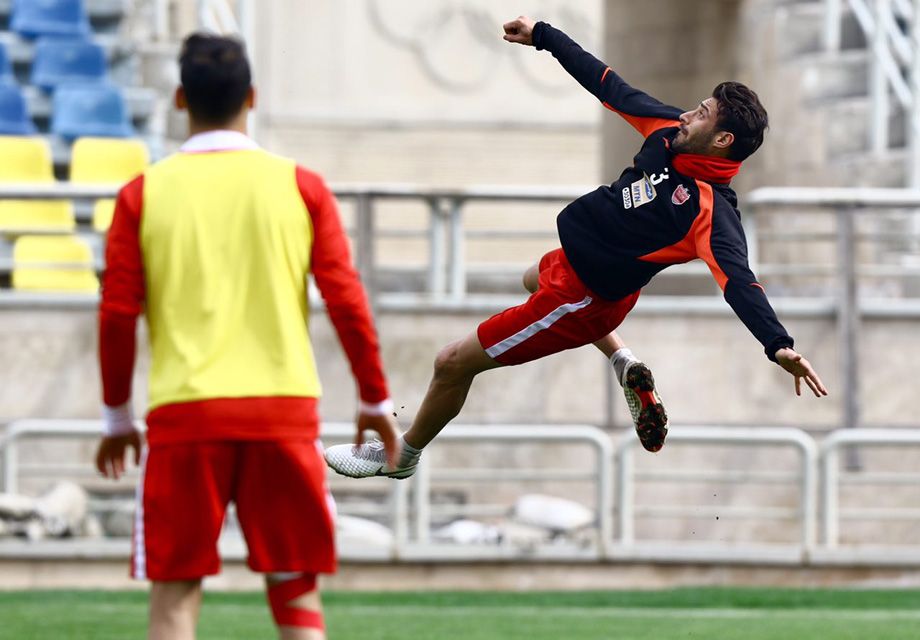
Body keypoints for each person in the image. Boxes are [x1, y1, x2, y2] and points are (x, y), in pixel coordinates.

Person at [324, 15, 827, 480]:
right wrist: (542, 34)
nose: (690, 113)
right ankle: (623, 361)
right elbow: (608, 84)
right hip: (578, 274)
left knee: (451, 362)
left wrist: (777, 343)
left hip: (580, 300)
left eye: (704, 113)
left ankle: (400, 457)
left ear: (721, 141)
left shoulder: (710, 212)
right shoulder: (669, 132)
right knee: (529, 277)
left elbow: (740, 283)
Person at [94, 33, 400, 640]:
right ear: (252, 97)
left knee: (175, 595)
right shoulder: (302, 186)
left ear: (180, 98)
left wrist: (116, 419)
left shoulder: (140, 195)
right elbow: (345, 299)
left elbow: (116, 313)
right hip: (281, 416)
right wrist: (372, 400)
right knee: (295, 591)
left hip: (185, 418)